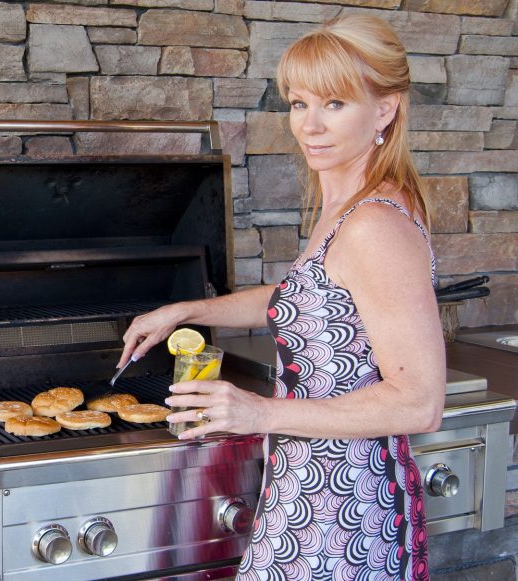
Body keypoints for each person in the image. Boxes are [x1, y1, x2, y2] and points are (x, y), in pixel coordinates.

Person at [118, 14, 444, 580]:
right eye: (299, 103)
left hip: (347, 514)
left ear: (385, 109)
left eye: (335, 104)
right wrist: (187, 310)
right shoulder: (344, 208)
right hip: (305, 492)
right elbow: (310, 295)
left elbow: (421, 402)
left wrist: (258, 411)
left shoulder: (374, 225)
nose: (310, 126)